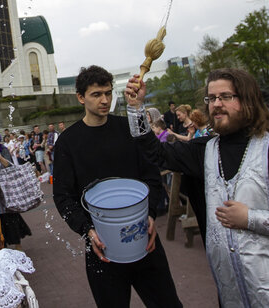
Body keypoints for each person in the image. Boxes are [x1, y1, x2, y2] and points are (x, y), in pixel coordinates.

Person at [126, 68, 269, 306]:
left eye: (226, 96)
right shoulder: (203, 151)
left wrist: (251, 218)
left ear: (248, 100)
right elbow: (155, 154)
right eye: (211, 98)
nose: (216, 104)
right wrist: (136, 108)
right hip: (231, 291)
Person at [53, 65, 181, 308]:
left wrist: (151, 214)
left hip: (144, 237)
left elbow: (151, 176)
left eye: (108, 93)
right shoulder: (68, 142)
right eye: (96, 94)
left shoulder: (128, 128)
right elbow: (63, 197)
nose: (105, 100)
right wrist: (87, 230)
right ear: (81, 97)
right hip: (101, 248)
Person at [0, 131, 32, 249]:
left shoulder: (3, 151)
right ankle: (3, 247)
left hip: (7, 192)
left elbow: (11, 167)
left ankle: (18, 247)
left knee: (11, 218)